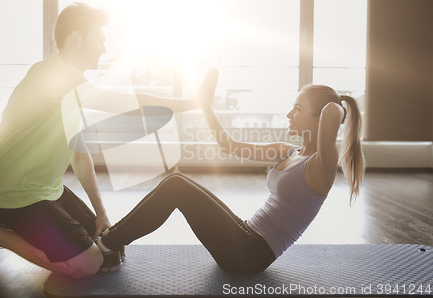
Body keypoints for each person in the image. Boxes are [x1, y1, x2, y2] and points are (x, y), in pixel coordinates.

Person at [0, 3, 217, 278]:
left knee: (110, 250)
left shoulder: (71, 86)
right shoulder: (51, 76)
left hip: (47, 191)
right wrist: (192, 101)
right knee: (87, 263)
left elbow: (79, 154)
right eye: (98, 39)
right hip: (14, 194)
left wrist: (101, 213)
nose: (103, 48)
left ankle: (22, 229)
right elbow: (125, 103)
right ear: (76, 39)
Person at [96, 77, 365, 274]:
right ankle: (113, 241)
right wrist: (206, 106)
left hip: (251, 255)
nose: (289, 114)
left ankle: (107, 244)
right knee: (178, 184)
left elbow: (331, 112)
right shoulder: (289, 152)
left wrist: (337, 104)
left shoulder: (322, 165)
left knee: (176, 185)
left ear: (319, 118)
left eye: (297, 109)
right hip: (246, 234)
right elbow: (229, 145)